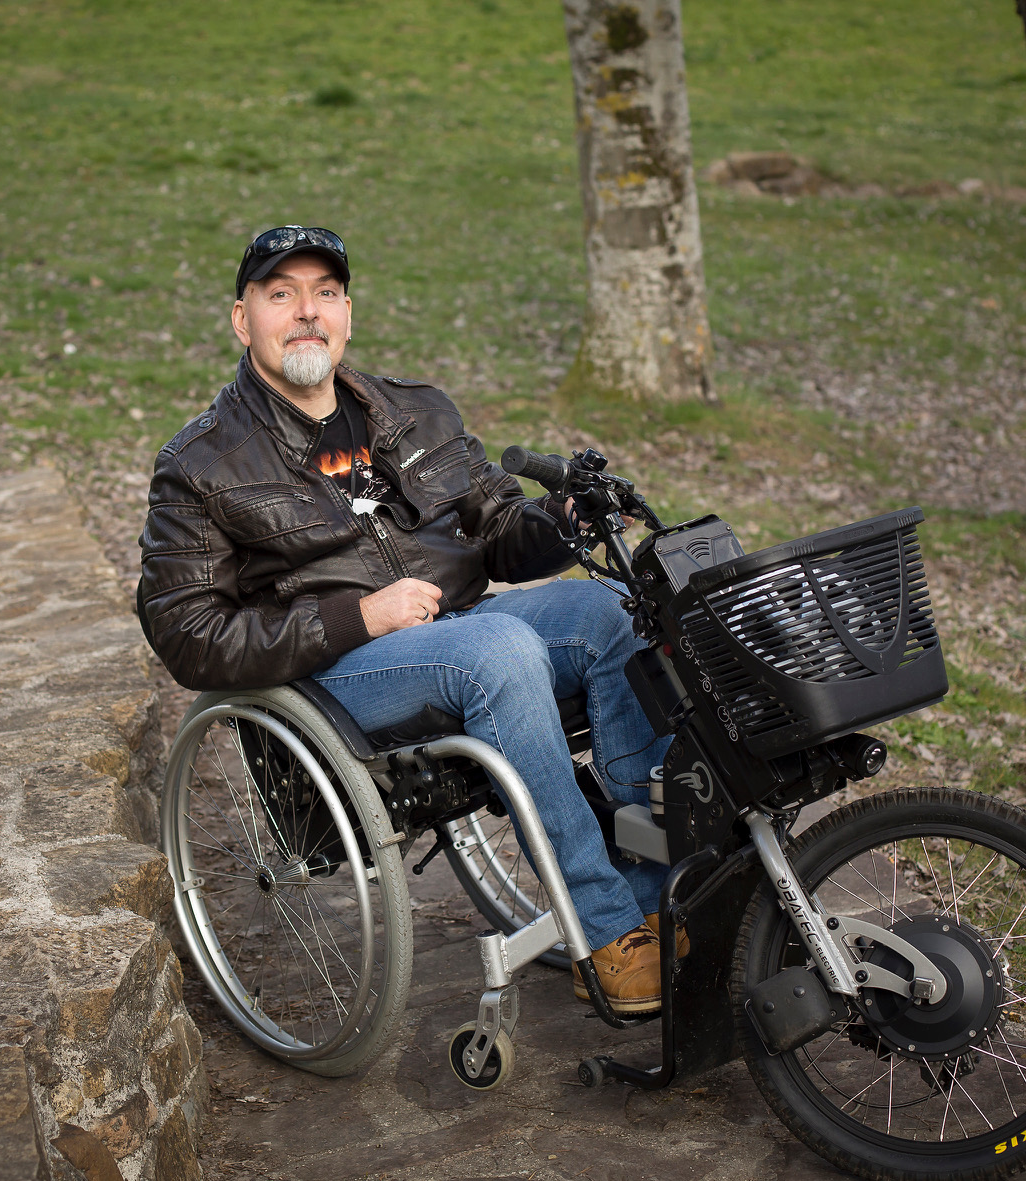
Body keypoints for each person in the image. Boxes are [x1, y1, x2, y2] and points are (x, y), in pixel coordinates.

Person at [136, 226, 671, 1012]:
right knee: (499, 648)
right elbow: (187, 635)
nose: (305, 312)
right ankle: (604, 925)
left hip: (463, 625)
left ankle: (654, 896)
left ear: (347, 312)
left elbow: (495, 530)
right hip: (339, 674)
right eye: (280, 295)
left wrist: (561, 520)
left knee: (613, 613)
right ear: (241, 319)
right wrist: (358, 616)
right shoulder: (201, 463)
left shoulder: (415, 410)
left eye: (323, 293)